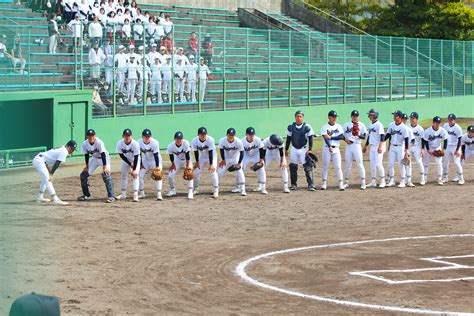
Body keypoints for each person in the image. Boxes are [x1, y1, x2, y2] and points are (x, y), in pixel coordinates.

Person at [33, 140, 77, 205]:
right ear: (67, 146)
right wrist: (50, 174)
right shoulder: (64, 151)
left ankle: (40, 196)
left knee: (45, 179)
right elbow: (57, 163)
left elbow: (47, 159)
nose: (71, 151)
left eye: (73, 149)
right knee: (48, 179)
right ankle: (55, 199)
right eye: (71, 148)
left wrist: (49, 172)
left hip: (41, 160)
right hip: (39, 160)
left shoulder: (62, 149)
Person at [78, 129, 115, 203]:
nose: (91, 137)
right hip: (94, 158)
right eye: (89, 136)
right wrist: (87, 165)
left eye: (92, 136)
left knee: (106, 175)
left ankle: (111, 196)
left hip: (104, 158)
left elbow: (103, 154)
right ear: (87, 136)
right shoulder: (85, 144)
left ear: (95, 136)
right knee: (83, 175)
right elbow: (86, 154)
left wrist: (105, 167)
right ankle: (86, 195)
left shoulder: (99, 142)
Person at [284, 110, 315, 191]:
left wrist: (310, 149)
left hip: (304, 149)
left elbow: (311, 138)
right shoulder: (291, 126)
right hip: (294, 148)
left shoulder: (307, 127)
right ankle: (293, 185)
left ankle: (311, 184)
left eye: (300, 116)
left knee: (308, 167)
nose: (299, 118)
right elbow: (288, 138)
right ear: (295, 117)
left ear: (303, 117)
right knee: (293, 167)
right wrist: (286, 149)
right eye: (297, 116)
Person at [384, 110, 410, 188]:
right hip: (392, 146)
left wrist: (406, 149)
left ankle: (402, 181)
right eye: (394, 115)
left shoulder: (404, 127)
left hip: (400, 147)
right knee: (390, 164)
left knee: (401, 164)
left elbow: (406, 138)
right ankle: (392, 180)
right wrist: (381, 141)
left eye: (396, 115)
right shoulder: (391, 125)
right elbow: (388, 135)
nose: (394, 117)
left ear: (400, 117)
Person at [191, 127, 219, 198]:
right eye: (201, 134)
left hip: (212, 156)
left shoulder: (210, 139)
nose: (203, 135)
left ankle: (216, 190)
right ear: (198, 135)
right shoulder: (194, 141)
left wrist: (211, 164)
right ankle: (196, 188)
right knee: (196, 172)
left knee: (213, 171)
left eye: (204, 134)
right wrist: (197, 162)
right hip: (202, 157)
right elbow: (195, 152)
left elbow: (210, 152)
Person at [320, 110, 345, 191]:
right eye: (333, 117)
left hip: (336, 148)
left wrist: (331, 137)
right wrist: (329, 145)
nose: (334, 118)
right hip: (327, 148)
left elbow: (341, 137)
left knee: (338, 166)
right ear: (329, 117)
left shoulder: (339, 126)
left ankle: (341, 184)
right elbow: (325, 138)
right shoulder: (324, 127)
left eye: (335, 117)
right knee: (325, 166)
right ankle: (324, 183)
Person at [342, 110, 367, 190]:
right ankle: (346, 182)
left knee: (360, 164)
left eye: (356, 116)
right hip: (348, 146)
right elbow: (341, 135)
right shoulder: (346, 125)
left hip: (357, 145)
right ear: (351, 116)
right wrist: (346, 140)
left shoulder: (362, 125)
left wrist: (359, 134)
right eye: (353, 116)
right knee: (348, 165)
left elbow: (364, 137)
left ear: (358, 116)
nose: (355, 117)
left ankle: (363, 183)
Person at [218, 127, 246, 196]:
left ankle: (242, 190)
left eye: (232, 135)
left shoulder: (238, 141)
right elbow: (221, 150)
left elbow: (242, 152)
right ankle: (216, 188)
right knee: (219, 172)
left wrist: (239, 163)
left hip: (236, 158)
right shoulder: (222, 140)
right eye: (229, 135)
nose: (231, 136)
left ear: (234, 135)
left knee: (240, 171)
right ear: (226, 135)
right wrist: (223, 159)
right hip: (226, 158)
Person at [362, 108, 386, 188]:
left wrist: (380, 147)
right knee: (372, 165)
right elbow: (369, 137)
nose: (368, 116)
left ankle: (383, 181)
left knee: (378, 164)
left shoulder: (379, 124)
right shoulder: (370, 125)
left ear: (374, 115)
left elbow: (382, 136)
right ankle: (373, 181)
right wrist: (365, 146)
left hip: (379, 145)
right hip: (372, 146)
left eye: (370, 115)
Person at [166, 131, 194, 199]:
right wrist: (173, 164)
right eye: (177, 139)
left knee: (189, 174)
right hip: (177, 160)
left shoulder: (186, 143)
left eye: (180, 139)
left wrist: (187, 167)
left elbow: (187, 156)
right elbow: (171, 155)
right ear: (174, 139)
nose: (179, 140)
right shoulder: (170, 146)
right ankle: (172, 190)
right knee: (170, 175)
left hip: (187, 160)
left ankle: (190, 191)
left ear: (182, 139)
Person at [116, 128, 141, 201]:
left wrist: (134, 169)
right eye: (126, 135)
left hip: (135, 160)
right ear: (123, 136)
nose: (127, 137)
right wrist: (129, 163)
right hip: (126, 160)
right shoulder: (120, 143)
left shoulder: (135, 144)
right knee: (123, 176)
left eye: (129, 135)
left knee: (135, 175)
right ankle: (123, 194)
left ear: (131, 136)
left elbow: (136, 157)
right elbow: (121, 155)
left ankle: (135, 195)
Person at [138, 128, 163, 200]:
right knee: (140, 175)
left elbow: (156, 155)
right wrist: (140, 164)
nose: (147, 138)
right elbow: (139, 154)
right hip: (146, 160)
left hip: (156, 160)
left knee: (158, 176)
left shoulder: (155, 142)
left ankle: (159, 194)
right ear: (142, 136)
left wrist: (157, 166)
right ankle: (142, 193)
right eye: (145, 136)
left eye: (148, 136)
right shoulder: (138, 142)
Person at [422, 116, 448, 186]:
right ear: (433, 123)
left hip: (437, 148)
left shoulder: (443, 131)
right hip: (429, 148)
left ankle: (439, 179)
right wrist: (428, 150)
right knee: (426, 164)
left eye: (439, 123)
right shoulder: (428, 131)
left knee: (439, 163)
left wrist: (444, 149)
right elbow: (425, 140)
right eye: (436, 122)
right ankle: (424, 178)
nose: (437, 124)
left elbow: (445, 140)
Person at [241, 127, 267, 194]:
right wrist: (239, 161)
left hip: (256, 155)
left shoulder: (257, 139)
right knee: (240, 169)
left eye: (252, 134)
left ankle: (263, 188)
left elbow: (261, 149)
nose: (251, 136)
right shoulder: (242, 141)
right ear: (246, 134)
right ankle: (239, 187)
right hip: (246, 156)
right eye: (250, 134)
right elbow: (240, 152)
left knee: (262, 168)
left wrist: (261, 159)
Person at [442, 113, 464, 184]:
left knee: (457, 162)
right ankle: (445, 178)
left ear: (454, 120)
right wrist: (443, 147)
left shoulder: (458, 128)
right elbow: (443, 136)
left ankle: (461, 179)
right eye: (449, 119)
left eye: (452, 120)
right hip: (448, 147)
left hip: (455, 147)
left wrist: (458, 150)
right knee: (445, 163)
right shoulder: (445, 126)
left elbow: (460, 139)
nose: (450, 121)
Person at [406, 112, 426, 186]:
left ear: (417, 119)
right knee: (407, 163)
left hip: (417, 147)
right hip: (409, 147)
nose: (411, 119)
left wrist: (422, 149)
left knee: (419, 162)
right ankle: (408, 180)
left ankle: (422, 178)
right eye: (411, 118)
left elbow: (423, 140)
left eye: (413, 118)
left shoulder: (420, 129)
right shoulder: (407, 127)